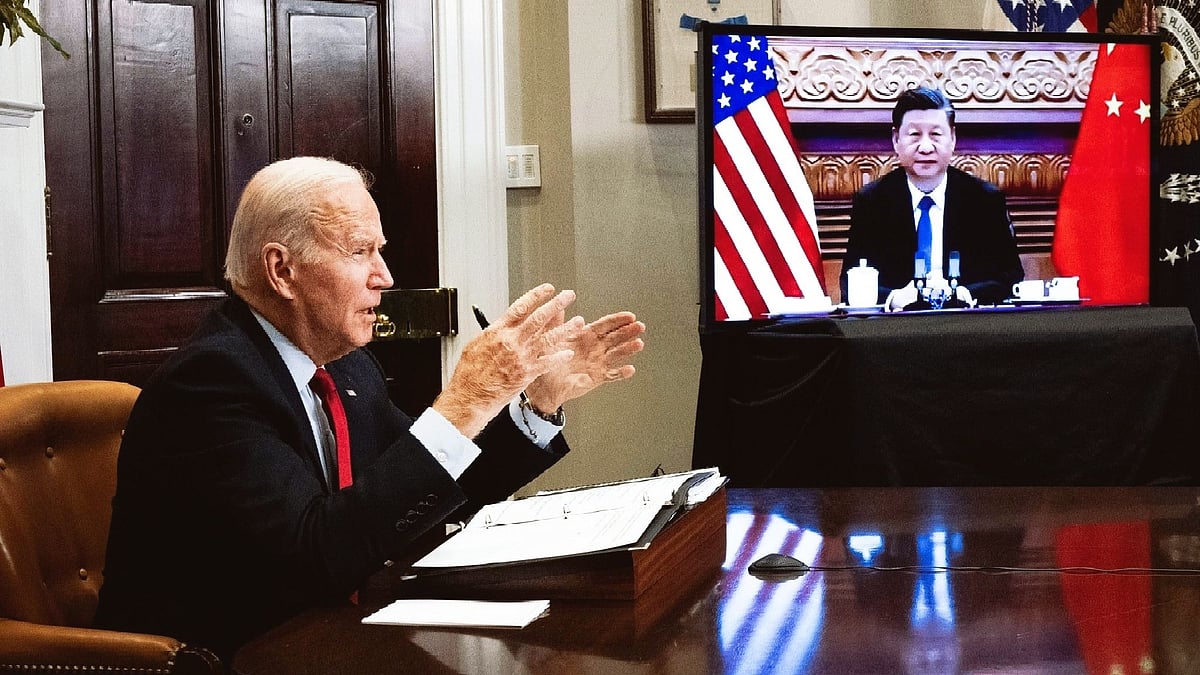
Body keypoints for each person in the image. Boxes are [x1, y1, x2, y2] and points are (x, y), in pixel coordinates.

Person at [93, 156, 646, 660]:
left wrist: (538, 402)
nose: (385, 276)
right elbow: (316, 555)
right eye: (360, 252)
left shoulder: (348, 367)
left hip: (327, 640)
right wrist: (468, 398)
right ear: (282, 270)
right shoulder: (210, 383)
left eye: (379, 251)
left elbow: (428, 491)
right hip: (230, 656)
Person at [841, 86, 1024, 310]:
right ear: (896, 139)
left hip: (967, 323)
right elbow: (850, 284)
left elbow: (1010, 278)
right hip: (896, 325)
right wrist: (894, 298)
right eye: (914, 135)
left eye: (936, 135)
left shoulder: (984, 200)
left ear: (952, 138)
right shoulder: (872, 202)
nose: (926, 147)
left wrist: (965, 294)